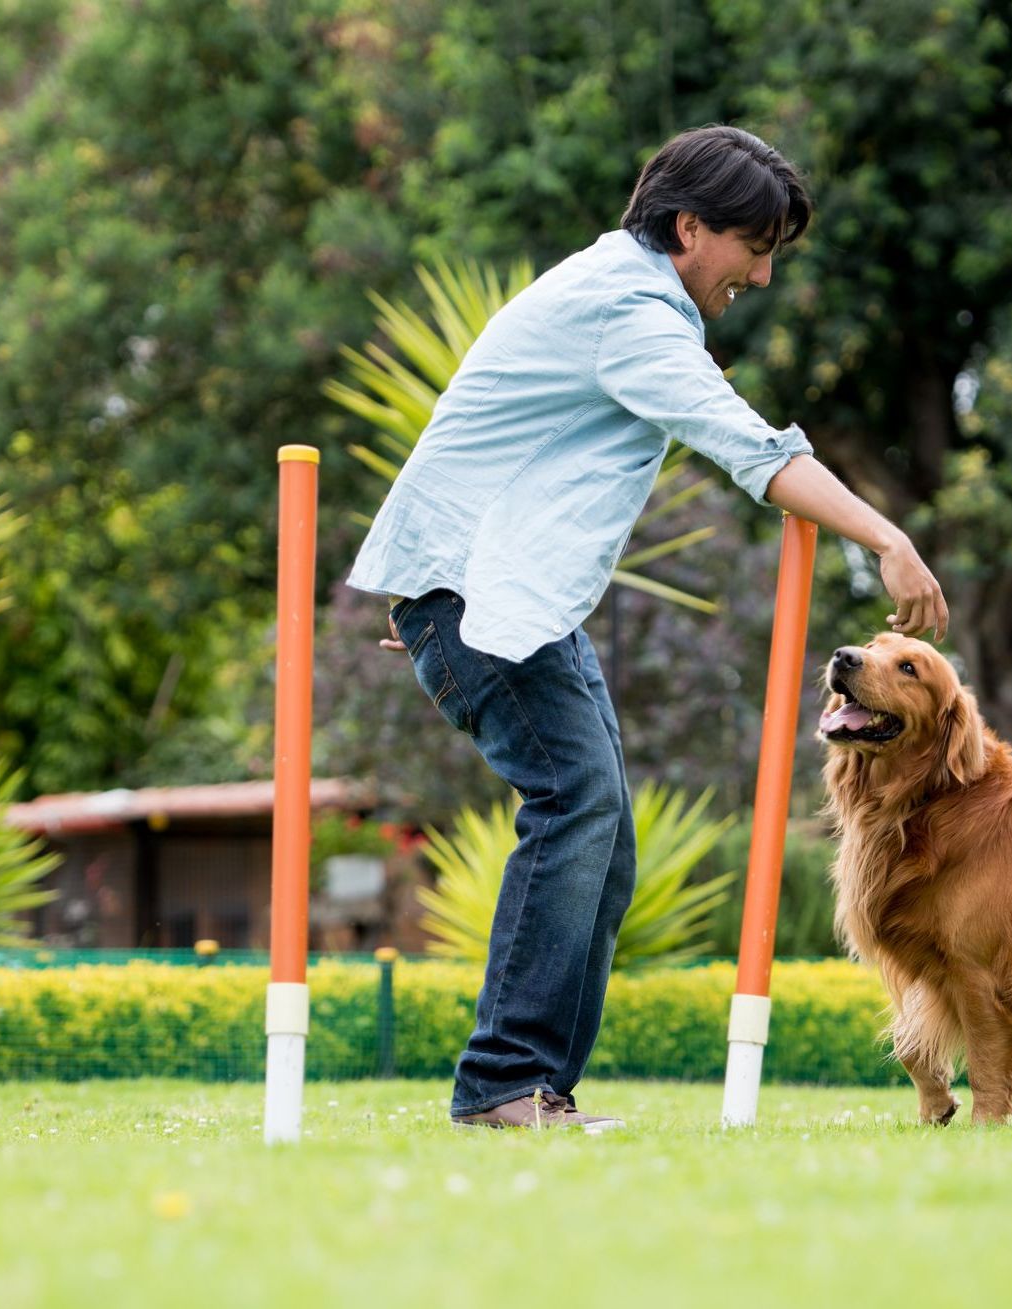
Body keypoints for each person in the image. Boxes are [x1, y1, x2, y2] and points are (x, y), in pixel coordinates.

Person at [346, 124, 948, 1131]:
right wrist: (887, 536)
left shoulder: (612, 291)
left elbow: (506, 433)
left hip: (497, 596)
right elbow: (749, 448)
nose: (759, 274)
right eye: (754, 248)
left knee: (603, 833)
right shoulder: (629, 309)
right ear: (689, 226)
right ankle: (503, 1086)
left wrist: (441, 584)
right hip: (477, 600)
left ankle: (534, 1089)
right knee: (573, 798)